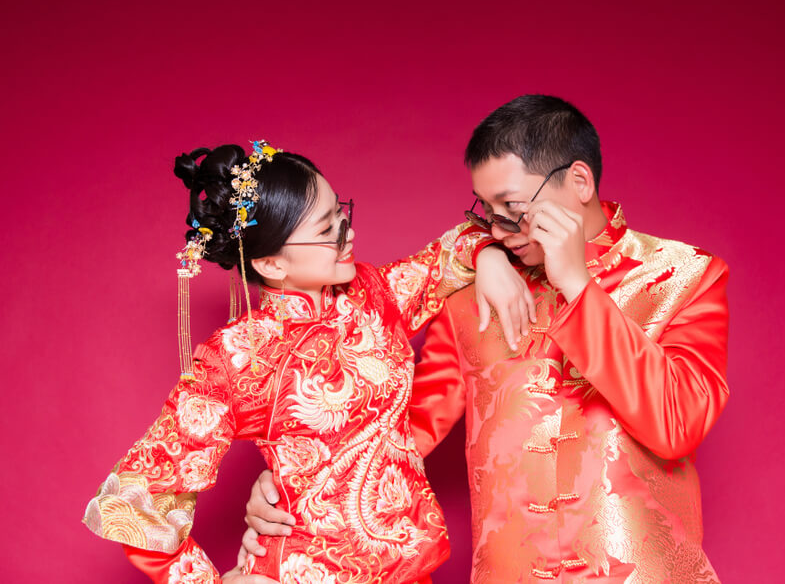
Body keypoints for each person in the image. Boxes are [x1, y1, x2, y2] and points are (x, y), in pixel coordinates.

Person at [241, 96, 731, 582]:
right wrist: (295, 482)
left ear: (579, 181)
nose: (499, 229)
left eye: (513, 207)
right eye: (487, 209)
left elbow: (678, 424)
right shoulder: (469, 294)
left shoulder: (684, 276)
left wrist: (578, 285)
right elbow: (393, 432)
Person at [82, 142, 533, 583]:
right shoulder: (237, 359)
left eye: (342, 213)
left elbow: (450, 252)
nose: (347, 232)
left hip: (411, 567)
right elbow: (134, 500)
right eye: (326, 229)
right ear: (271, 263)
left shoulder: (372, 293)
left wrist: (487, 254)